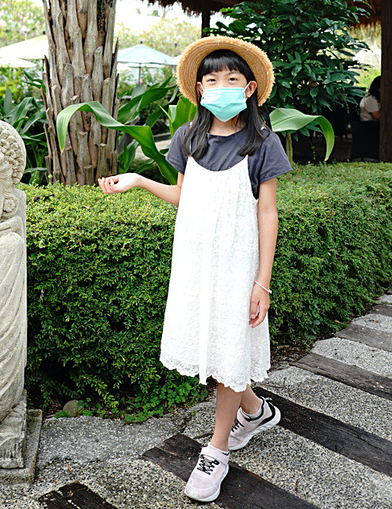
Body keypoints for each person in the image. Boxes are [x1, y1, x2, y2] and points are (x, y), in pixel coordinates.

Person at [99, 36, 290, 503]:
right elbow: (186, 197)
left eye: (231, 79)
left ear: (248, 89)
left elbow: (268, 213)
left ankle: (217, 448)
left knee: (228, 348)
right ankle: (257, 412)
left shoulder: (262, 142)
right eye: (211, 80)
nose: (220, 86)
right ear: (199, 90)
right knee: (217, 348)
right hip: (194, 262)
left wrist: (261, 281)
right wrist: (140, 181)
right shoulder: (189, 138)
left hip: (237, 266)